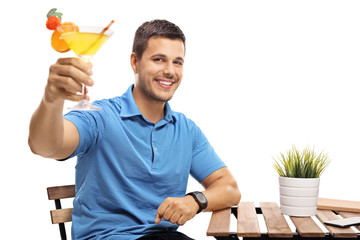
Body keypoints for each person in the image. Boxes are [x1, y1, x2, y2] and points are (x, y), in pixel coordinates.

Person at [28, 19, 241, 240]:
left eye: (177, 62)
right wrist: (51, 99)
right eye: (159, 60)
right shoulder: (101, 116)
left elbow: (229, 188)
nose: (169, 71)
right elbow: (45, 146)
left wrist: (195, 201)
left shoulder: (186, 129)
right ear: (134, 62)